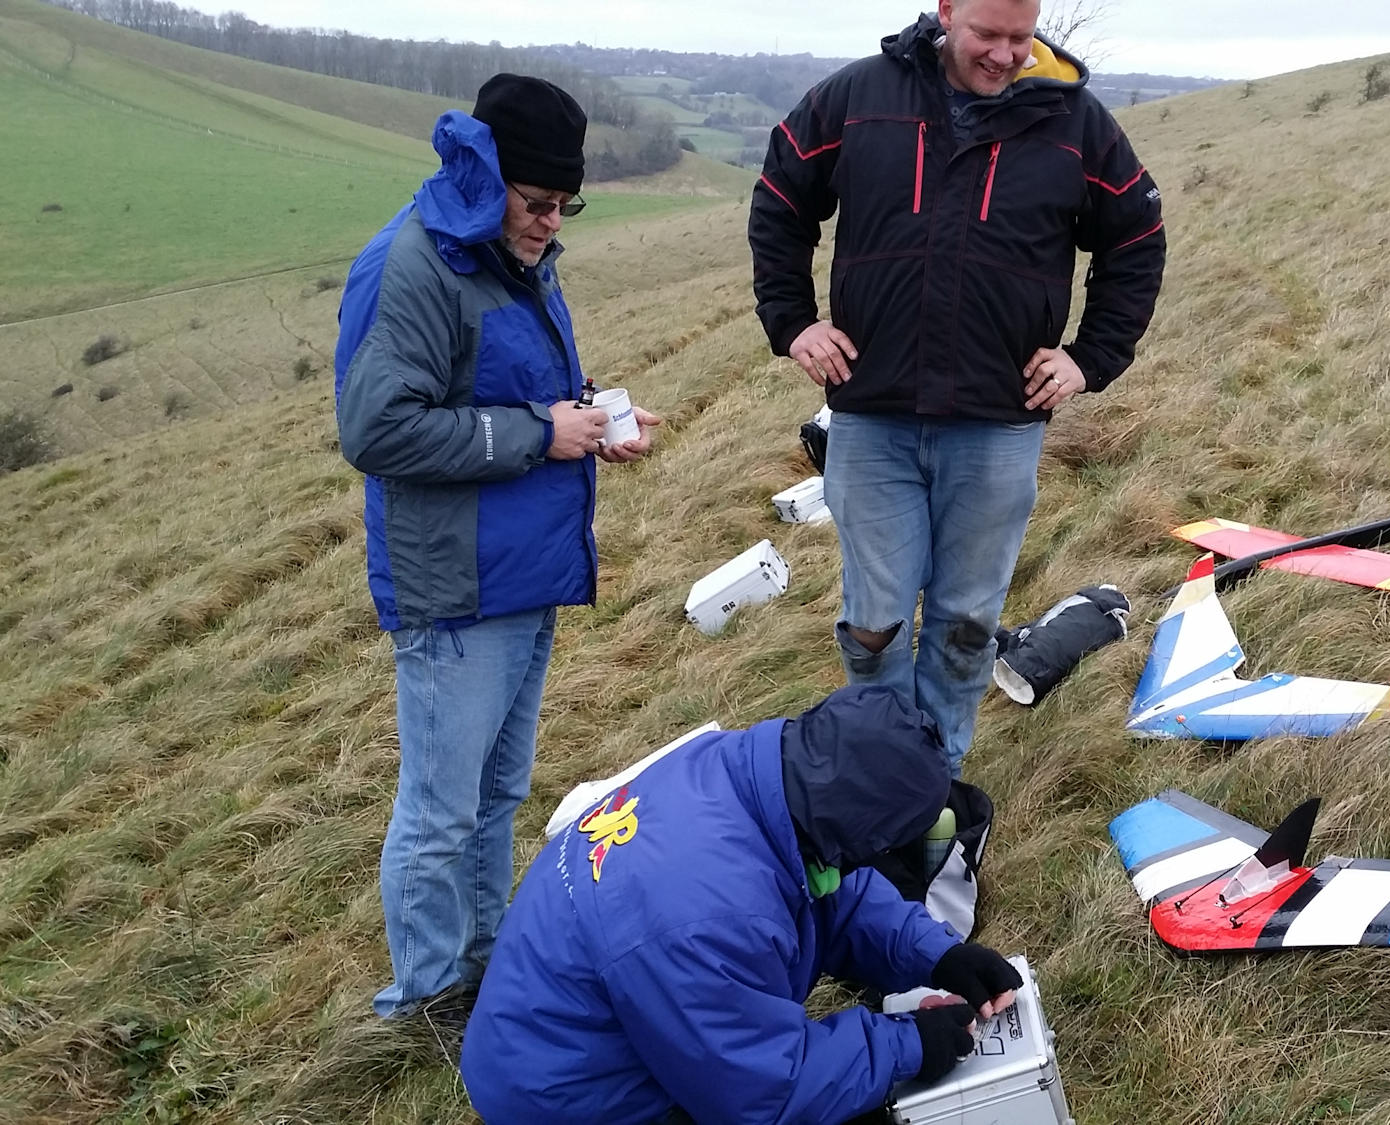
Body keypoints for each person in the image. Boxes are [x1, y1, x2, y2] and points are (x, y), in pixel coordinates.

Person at [749, 0, 1166, 774]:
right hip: (872, 417)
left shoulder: (1078, 124)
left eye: (1022, 36)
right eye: (988, 35)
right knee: (872, 621)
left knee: (967, 621)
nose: (1007, 54)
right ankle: (879, 768)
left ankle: (933, 778)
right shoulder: (859, 98)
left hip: (999, 425)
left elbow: (1138, 237)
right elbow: (780, 197)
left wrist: (1090, 357)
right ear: (947, 12)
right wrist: (793, 321)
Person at [334, 72, 660, 1021]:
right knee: (440, 811)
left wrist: (597, 416)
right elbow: (377, 430)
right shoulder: (415, 267)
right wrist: (537, 432)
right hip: (457, 588)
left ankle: (480, 967)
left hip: (523, 573)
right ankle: (427, 998)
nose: (554, 223)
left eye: (568, 205)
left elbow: (519, 380)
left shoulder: (512, 253)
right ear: (490, 175)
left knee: (497, 794)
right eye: (540, 202)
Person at [459, 685, 1024, 1124]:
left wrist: (936, 954)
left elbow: (831, 890)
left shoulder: (747, 769)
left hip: (566, 1015)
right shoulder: (706, 917)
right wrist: (909, 1046)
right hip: (563, 1096)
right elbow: (763, 1096)